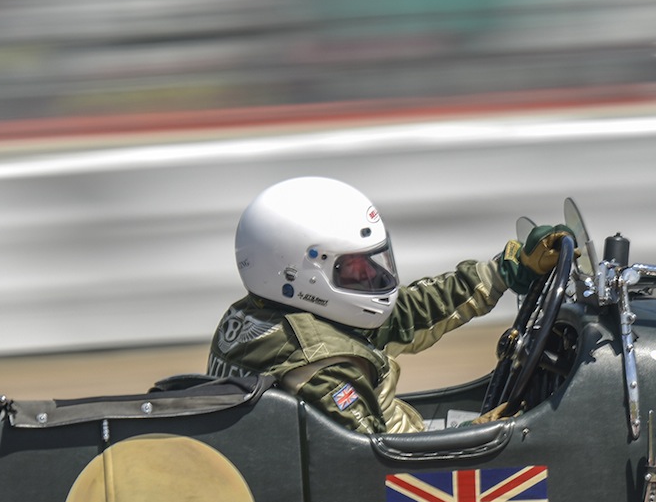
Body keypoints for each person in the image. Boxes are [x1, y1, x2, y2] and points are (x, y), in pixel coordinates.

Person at [207, 176, 567, 433]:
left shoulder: (267, 317)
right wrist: (478, 433)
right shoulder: (323, 370)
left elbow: (406, 314)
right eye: (355, 269)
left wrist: (504, 272)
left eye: (372, 263)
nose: (372, 277)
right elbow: (373, 465)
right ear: (295, 274)